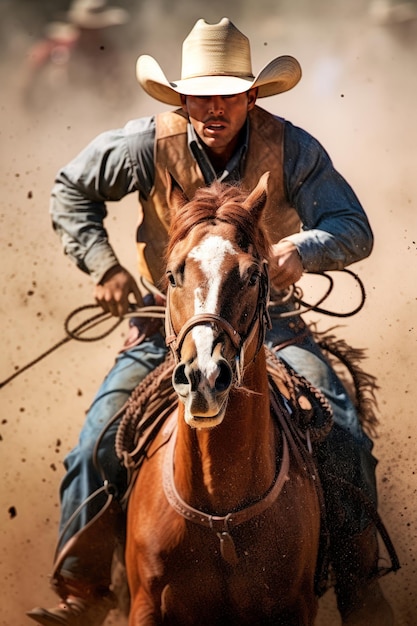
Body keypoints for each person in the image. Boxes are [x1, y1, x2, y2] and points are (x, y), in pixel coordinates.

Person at [28, 17, 396, 626]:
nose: (214, 106)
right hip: (166, 324)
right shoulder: (146, 145)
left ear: (251, 95)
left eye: (228, 93)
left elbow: (353, 227)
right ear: (183, 97)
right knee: (97, 438)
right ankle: (86, 591)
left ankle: (359, 588)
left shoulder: (293, 149)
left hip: (270, 324)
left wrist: (299, 250)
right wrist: (105, 266)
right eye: (202, 93)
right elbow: (71, 189)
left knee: (343, 430)